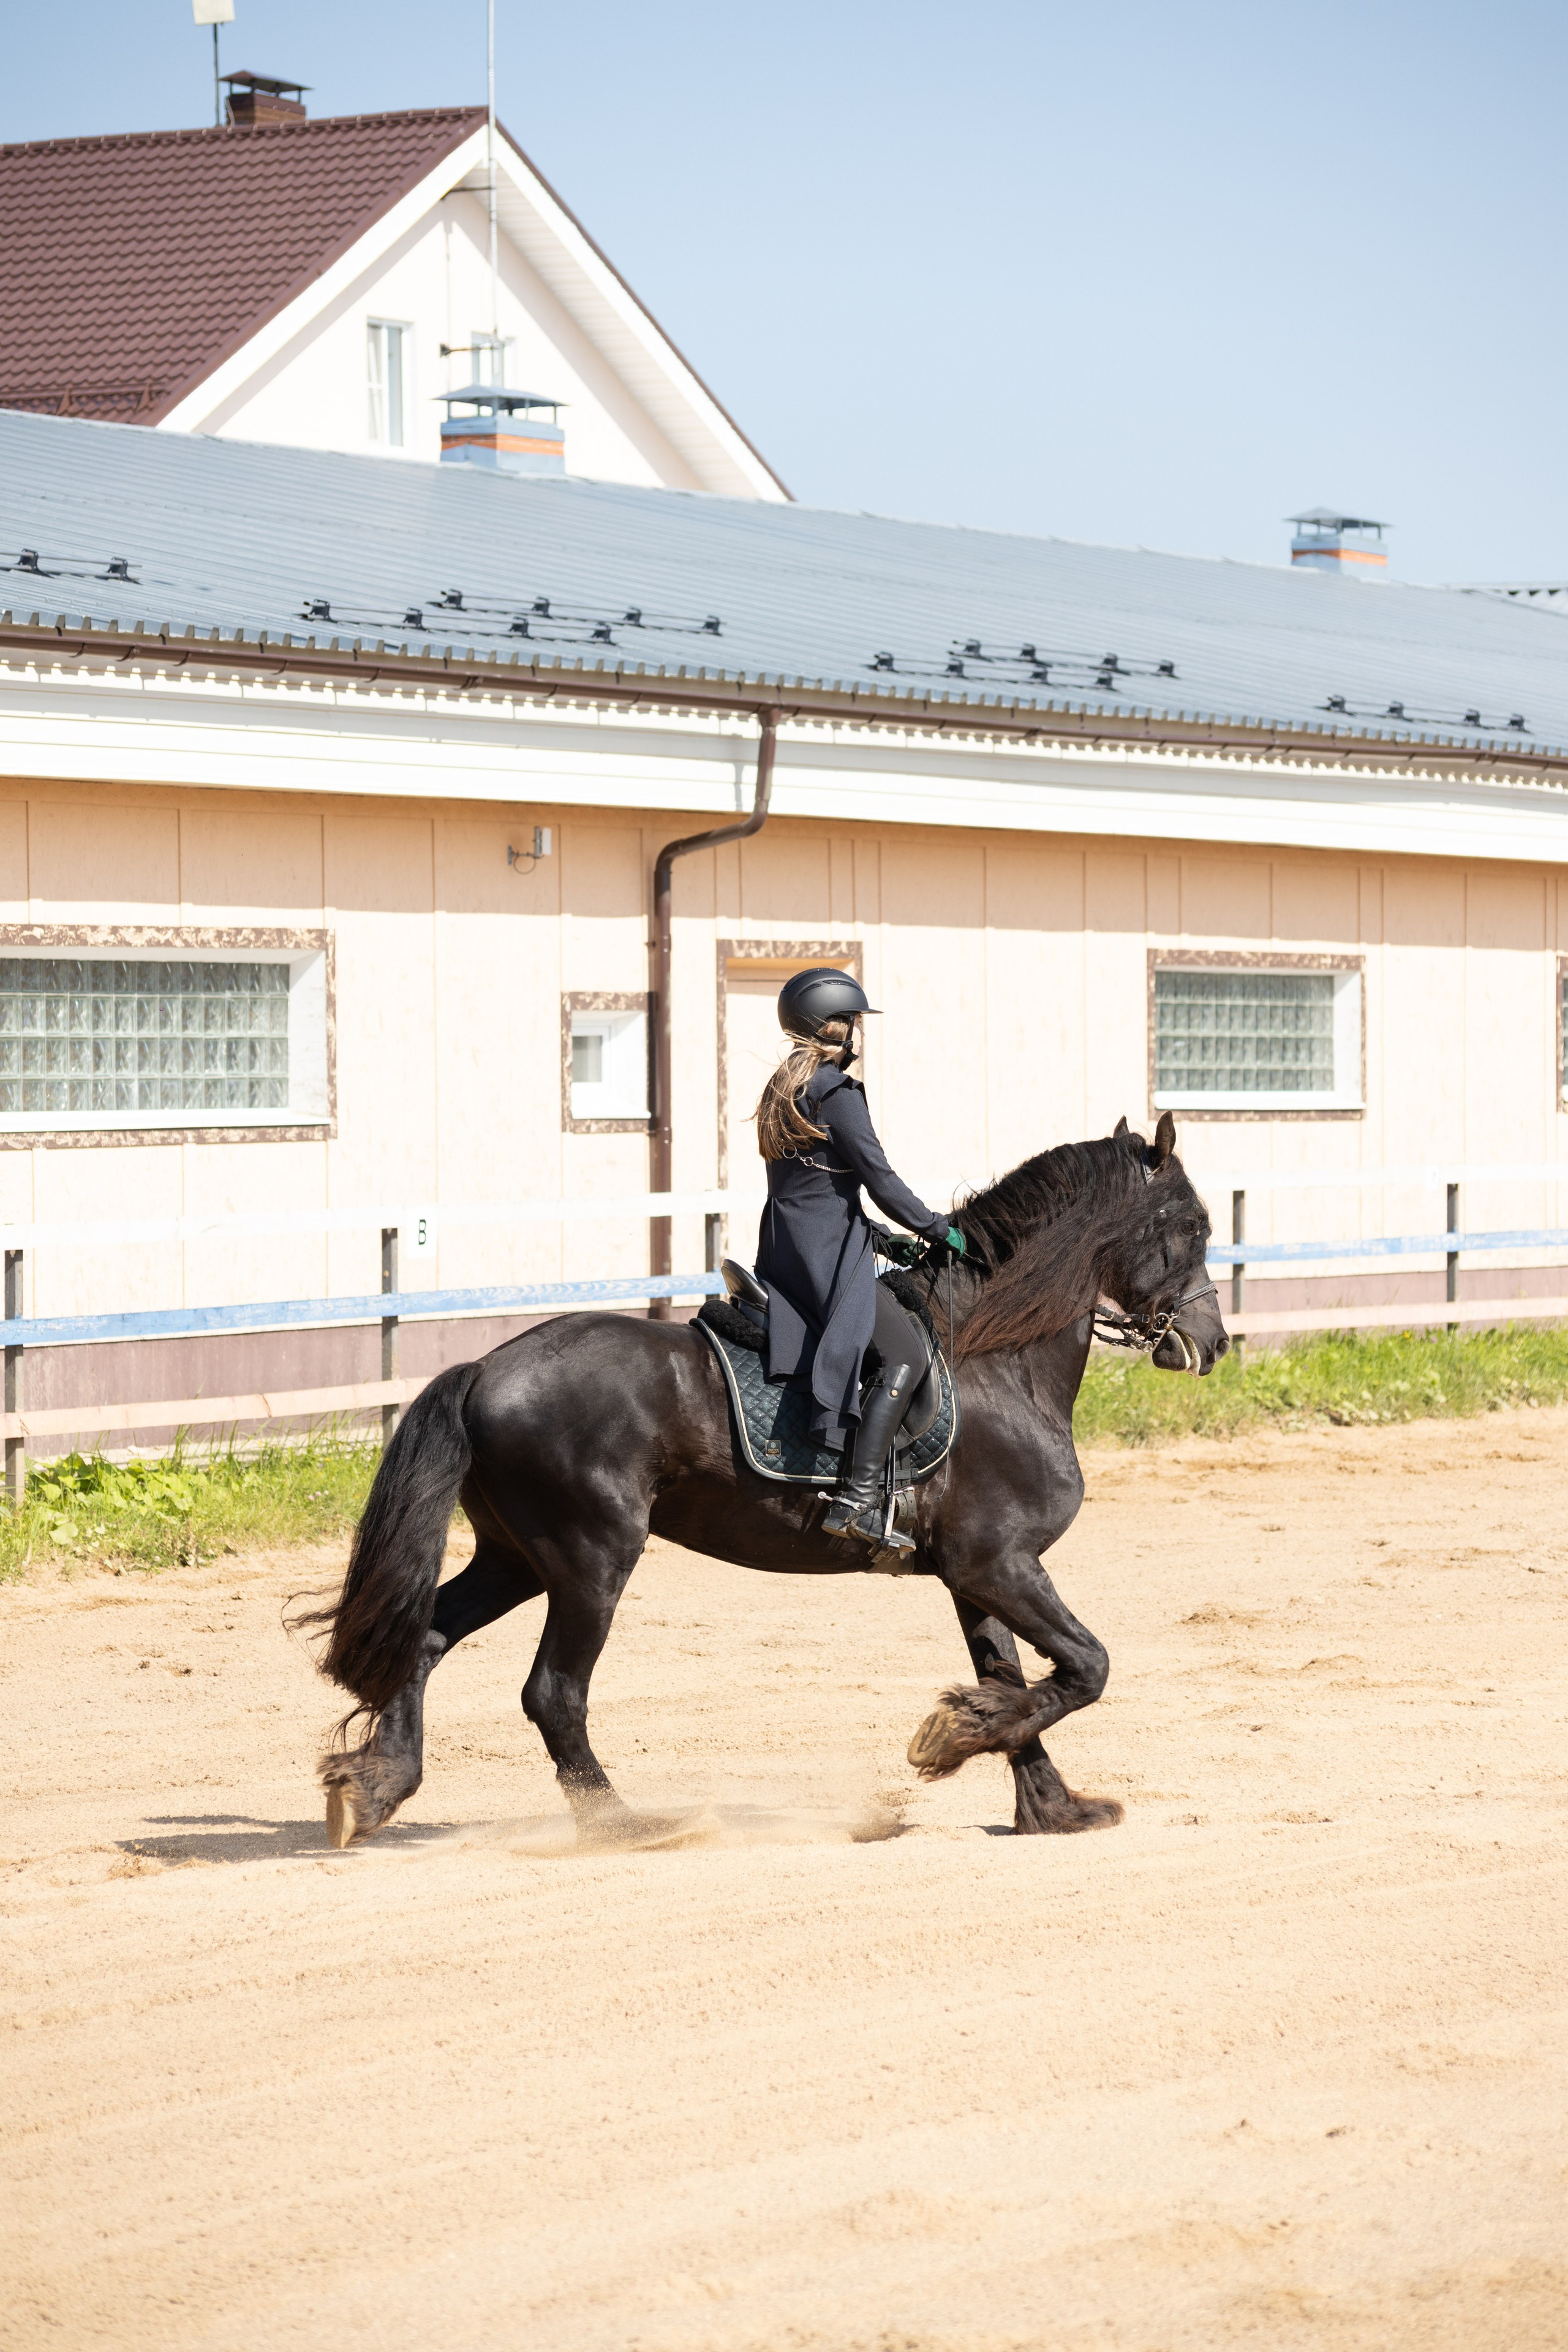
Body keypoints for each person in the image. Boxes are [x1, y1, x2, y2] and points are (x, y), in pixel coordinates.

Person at [750, 967, 965, 1544]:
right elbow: (881, 1179)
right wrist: (937, 1228)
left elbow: (813, 1187)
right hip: (829, 1255)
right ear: (832, 1026)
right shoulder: (837, 1094)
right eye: (852, 1021)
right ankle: (858, 1498)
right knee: (906, 1356)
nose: (858, 1032)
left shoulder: (782, 1089)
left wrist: (876, 1234)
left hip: (788, 1248)